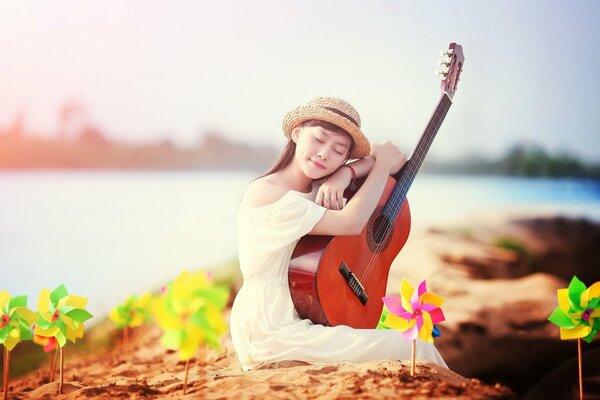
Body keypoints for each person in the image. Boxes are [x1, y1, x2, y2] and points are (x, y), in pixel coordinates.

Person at [230, 96, 447, 371]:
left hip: (305, 315)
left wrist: (345, 174)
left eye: (338, 150)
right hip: (271, 329)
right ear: (297, 132)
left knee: (416, 342)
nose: (323, 154)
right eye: (319, 139)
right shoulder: (268, 192)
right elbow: (351, 222)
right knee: (419, 345)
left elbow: (390, 162)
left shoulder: (317, 187)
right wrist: (378, 165)